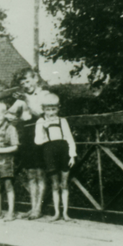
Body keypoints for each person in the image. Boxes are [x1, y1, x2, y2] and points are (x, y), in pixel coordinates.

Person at [6, 68, 50, 219]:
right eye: (22, 82)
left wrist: (26, 100)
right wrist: (14, 118)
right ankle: (33, 208)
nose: (25, 84)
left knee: (40, 172)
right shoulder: (22, 98)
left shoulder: (43, 94)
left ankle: (39, 208)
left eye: (27, 80)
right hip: (26, 135)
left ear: (36, 79)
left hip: (41, 134)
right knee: (31, 172)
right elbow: (9, 113)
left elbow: (40, 113)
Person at [35, 93, 77, 221]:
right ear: (43, 109)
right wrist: (43, 128)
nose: (51, 112)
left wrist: (72, 155)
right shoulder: (40, 121)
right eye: (48, 109)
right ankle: (56, 213)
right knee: (54, 184)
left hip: (63, 152)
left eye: (54, 109)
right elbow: (37, 141)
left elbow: (69, 138)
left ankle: (65, 213)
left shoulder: (62, 121)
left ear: (58, 108)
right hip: (49, 153)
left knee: (64, 184)